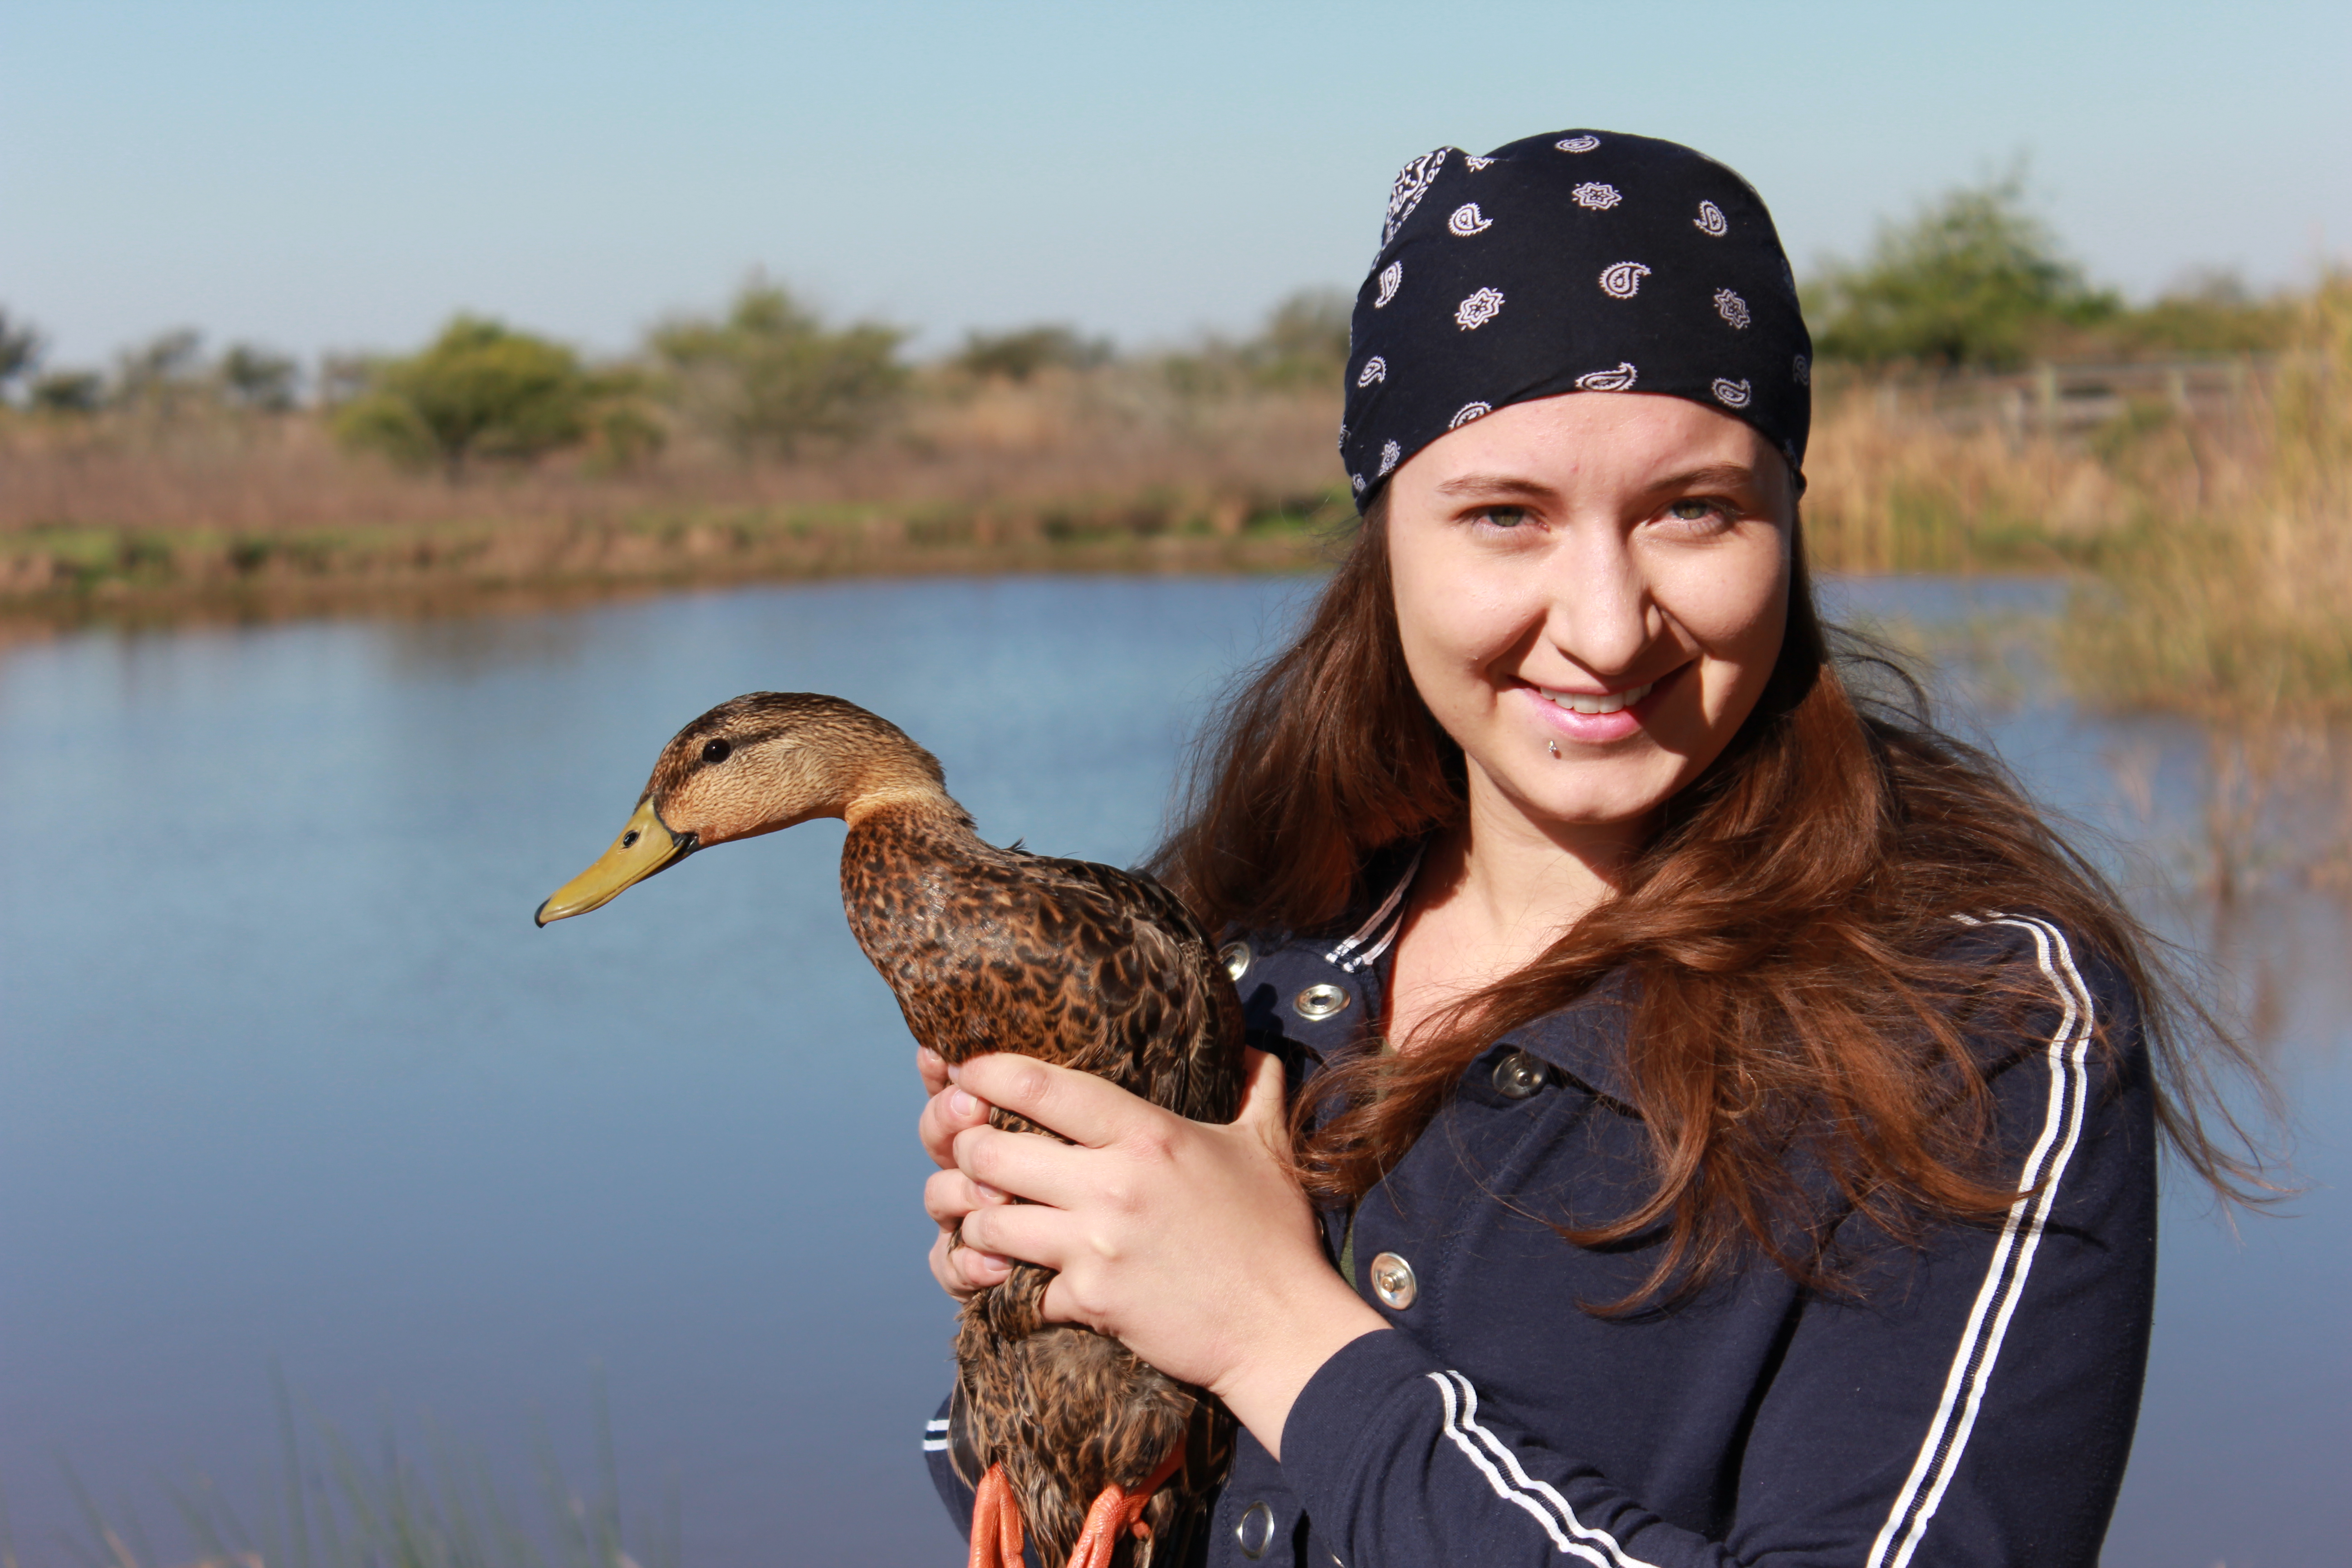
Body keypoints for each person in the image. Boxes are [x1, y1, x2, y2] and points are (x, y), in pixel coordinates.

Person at [912, 130, 2259, 1568]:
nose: (1609, 625)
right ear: (1387, 542)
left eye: (1694, 509)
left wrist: (1274, 1334)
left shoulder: (1976, 1027)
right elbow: (1035, 1494)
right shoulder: (1246, 943)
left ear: (1787, 524)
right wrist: (1044, 1304)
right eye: (1506, 516)